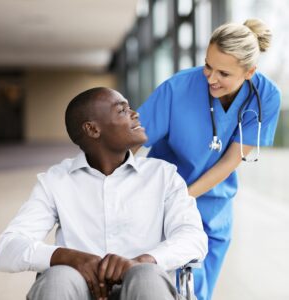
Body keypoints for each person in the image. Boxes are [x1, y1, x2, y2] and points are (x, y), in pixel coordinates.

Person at [0, 87, 208, 300]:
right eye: (122, 110)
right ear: (93, 129)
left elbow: (193, 238)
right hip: (78, 289)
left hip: (144, 289)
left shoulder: (163, 175)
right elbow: (8, 249)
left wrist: (143, 261)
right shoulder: (56, 180)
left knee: (145, 275)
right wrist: (67, 257)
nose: (135, 114)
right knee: (58, 277)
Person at [137, 19, 281, 300]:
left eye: (223, 73)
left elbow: (230, 160)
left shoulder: (266, 96)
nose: (211, 78)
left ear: (249, 72)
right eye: (207, 66)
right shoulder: (177, 89)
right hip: (161, 199)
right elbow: (130, 143)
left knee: (198, 291)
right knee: (153, 284)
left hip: (213, 203)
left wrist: (185, 197)